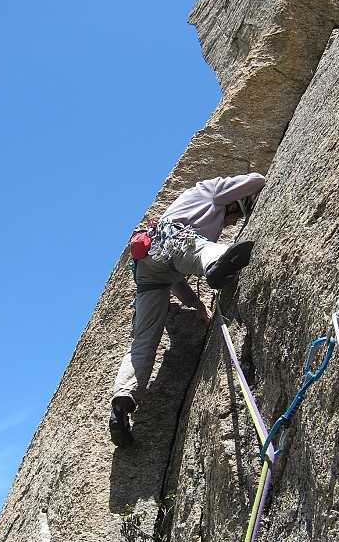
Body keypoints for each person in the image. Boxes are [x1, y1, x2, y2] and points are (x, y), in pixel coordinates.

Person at [109, 172, 266, 447]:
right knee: (204, 249)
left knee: (144, 339)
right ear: (233, 203)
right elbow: (256, 180)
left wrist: (197, 305)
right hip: (173, 244)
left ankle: (122, 401)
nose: (233, 222)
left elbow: (176, 282)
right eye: (236, 216)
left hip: (150, 272)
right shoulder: (210, 191)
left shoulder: (196, 213)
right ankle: (217, 263)